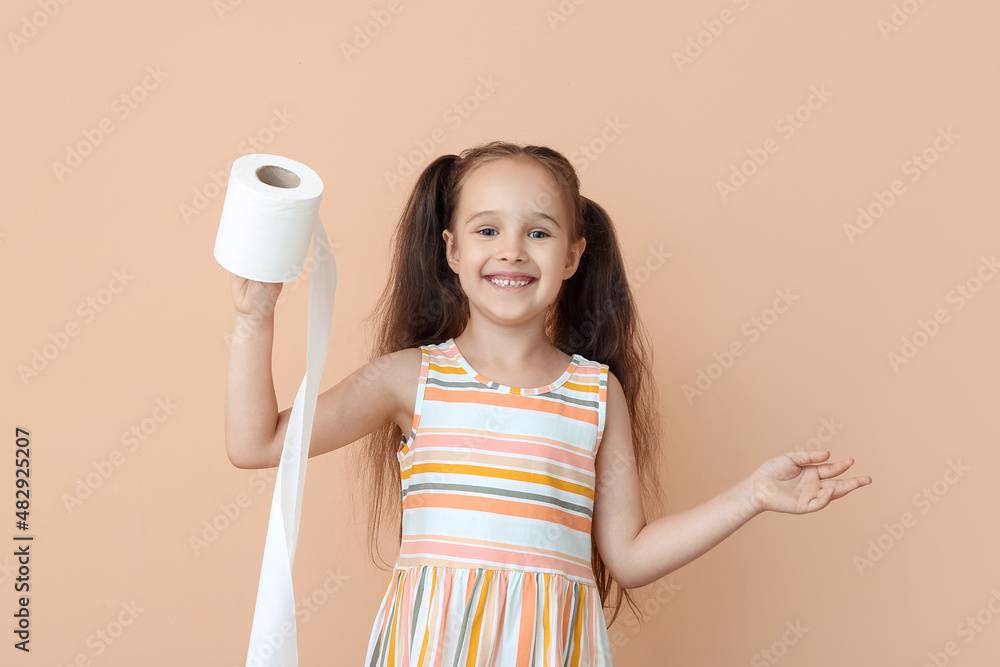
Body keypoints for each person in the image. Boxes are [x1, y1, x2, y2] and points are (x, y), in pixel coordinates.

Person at [224, 141, 872, 665]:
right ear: (452, 249)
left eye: (538, 232)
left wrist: (752, 494)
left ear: (572, 257)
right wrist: (256, 315)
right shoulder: (408, 380)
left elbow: (630, 555)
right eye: (487, 229)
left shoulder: (595, 394)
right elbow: (256, 444)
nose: (511, 249)